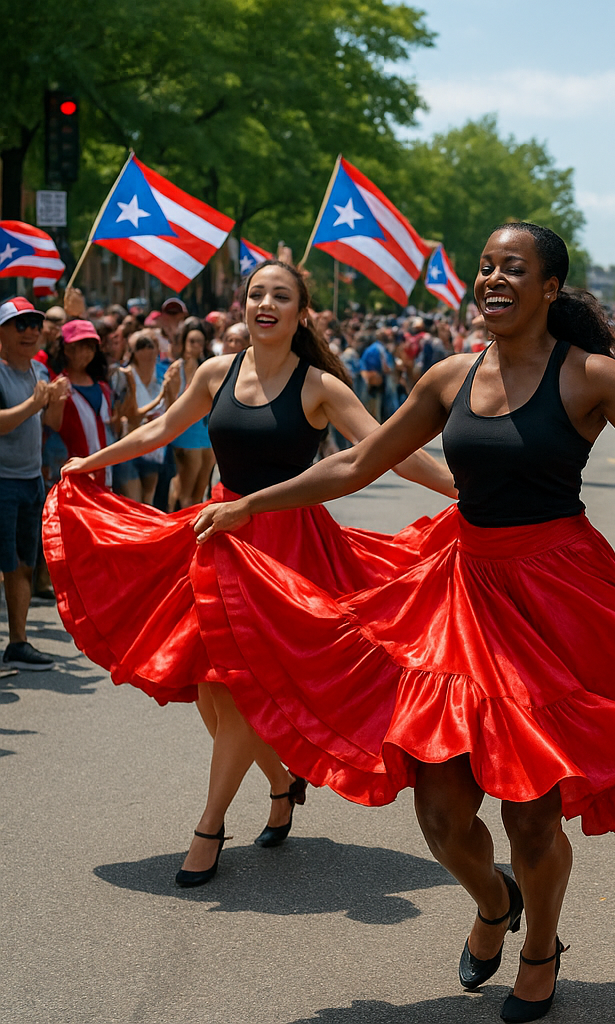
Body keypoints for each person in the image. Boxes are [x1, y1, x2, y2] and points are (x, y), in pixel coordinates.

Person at [190, 224, 615, 1022]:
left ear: (548, 289)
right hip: (462, 599)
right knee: (439, 808)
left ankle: (540, 947)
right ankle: (492, 902)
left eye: (515, 268)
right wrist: (250, 504)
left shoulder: (592, 376)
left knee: (531, 814)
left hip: (556, 602)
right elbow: (355, 462)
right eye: (487, 266)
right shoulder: (447, 377)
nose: (495, 278)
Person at [46, 260, 457, 889]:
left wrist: (465, 490)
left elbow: (388, 452)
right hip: (218, 537)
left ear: (300, 313)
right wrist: (91, 461)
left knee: (238, 687)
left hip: (288, 549)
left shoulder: (320, 386)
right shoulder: (215, 372)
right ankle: (280, 781)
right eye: (256, 293)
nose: (265, 303)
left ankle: (208, 828)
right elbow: (159, 428)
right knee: (215, 695)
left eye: (280, 295)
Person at [0, 298, 69, 671]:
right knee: (4, 564)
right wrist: (35, 402)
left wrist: (55, 401)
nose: (29, 331)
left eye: (34, 324)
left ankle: (18, 642)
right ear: (1, 333)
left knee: (24, 564)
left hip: (30, 480)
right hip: (2, 481)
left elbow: (52, 423)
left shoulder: (39, 371)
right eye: (19, 324)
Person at [47, 320, 117, 489]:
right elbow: (52, 424)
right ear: (67, 349)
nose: (87, 353)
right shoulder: (59, 385)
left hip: (103, 476)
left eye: (91, 347)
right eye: (81, 346)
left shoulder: (103, 387)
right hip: (69, 477)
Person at [118, 331, 174, 504]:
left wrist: (170, 390)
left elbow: (172, 411)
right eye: (142, 346)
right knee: (133, 505)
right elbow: (131, 417)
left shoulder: (163, 375)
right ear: (132, 352)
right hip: (129, 450)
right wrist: (160, 397)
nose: (147, 350)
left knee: (147, 505)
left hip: (154, 450)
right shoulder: (125, 376)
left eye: (151, 345)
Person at [167, 318, 217, 509]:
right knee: (185, 495)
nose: (196, 346)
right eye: (192, 341)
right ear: (184, 343)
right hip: (185, 431)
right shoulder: (177, 368)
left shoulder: (208, 367)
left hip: (205, 431)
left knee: (200, 493)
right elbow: (172, 405)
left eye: (200, 342)